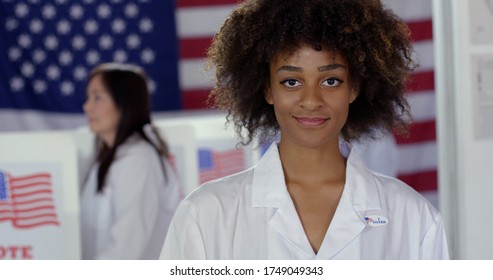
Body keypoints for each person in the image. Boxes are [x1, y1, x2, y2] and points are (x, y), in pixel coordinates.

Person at [160, 0, 449, 259]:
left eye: (331, 80)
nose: (311, 100)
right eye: (291, 82)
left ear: (355, 88)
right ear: (267, 90)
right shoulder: (205, 214)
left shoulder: (413, 216)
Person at [81, 62, 182, 259]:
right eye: (88, 97)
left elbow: (126, 248)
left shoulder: (139, 160)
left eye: (97, 98)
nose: (87, 107)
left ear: (124, 103)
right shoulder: (108, 156)